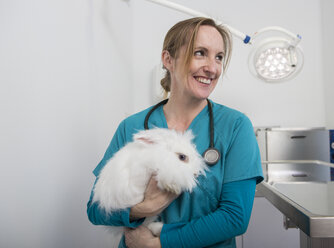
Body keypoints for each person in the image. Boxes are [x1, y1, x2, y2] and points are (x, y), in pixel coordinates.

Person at [87, 17, 263, 248]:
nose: (212, 67)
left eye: (218, 57)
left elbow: (234, 218)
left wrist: (161, 242)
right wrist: (144, 208)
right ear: (168, 59)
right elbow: (95, 210)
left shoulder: (236, 126)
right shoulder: (132, 126)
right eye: (200, 53)